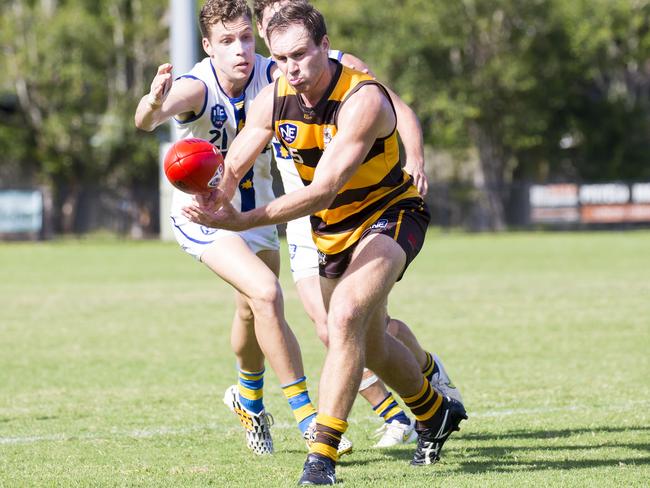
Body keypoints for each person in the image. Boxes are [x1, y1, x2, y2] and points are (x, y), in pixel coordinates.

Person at [183, 3, 467, 484]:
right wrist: (217, 195)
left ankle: (321, 458)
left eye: (300, 55)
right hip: (331, 231)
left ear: (323, 44)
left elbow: (323, 189)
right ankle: (433, 410)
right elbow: (239, 155)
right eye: (281, 58)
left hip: (389, 213)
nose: (291, 68)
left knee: (346, 314)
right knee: (367, 342)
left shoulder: (362, 99)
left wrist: (243, 221)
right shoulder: (274, 97)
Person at [253, 0, 462, 449]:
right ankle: (429, 407)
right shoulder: (263, 78)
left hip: (358, 205)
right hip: (312, 222)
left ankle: (325, 448)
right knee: (354, 331)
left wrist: (418, 159)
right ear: (263, 29)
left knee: (345, 318)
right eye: (273, 21)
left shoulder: (344, 71)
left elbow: (398, 107)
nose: (284, 25)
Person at [134, 0, 319, 456]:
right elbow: (147, 119)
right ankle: (310, 419)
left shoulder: (274, 71)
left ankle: (248, 402)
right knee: (267, 293)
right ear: (207, 45)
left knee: (251, 310)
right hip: (202, 216)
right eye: (226, 40)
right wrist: (155, 101)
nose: (239, 49)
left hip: (256, 212)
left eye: (245, 38)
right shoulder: (198, 85)